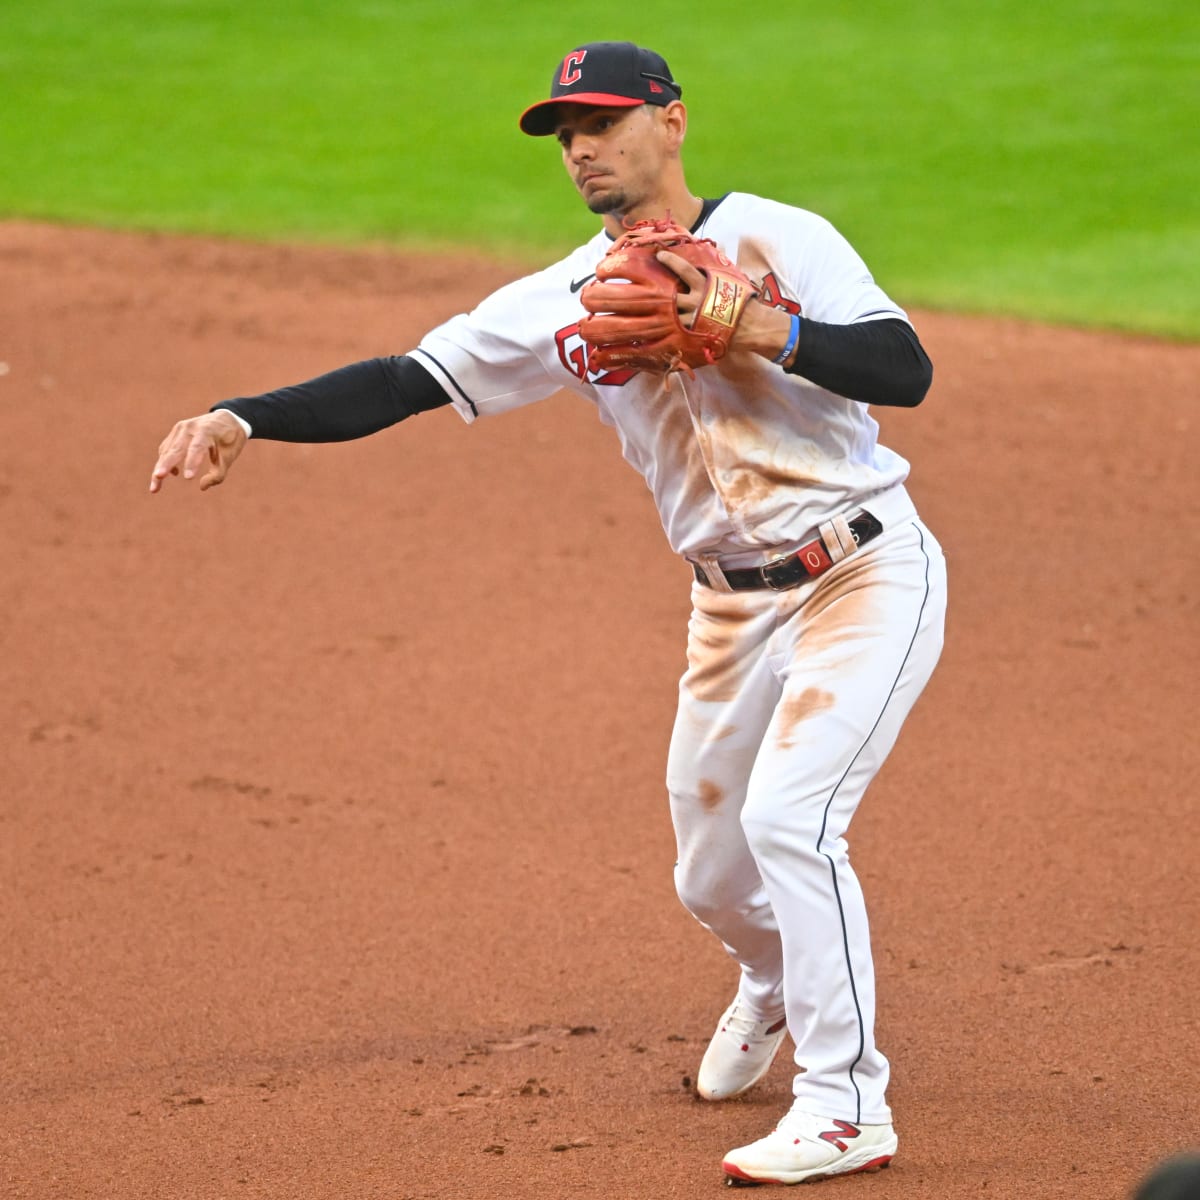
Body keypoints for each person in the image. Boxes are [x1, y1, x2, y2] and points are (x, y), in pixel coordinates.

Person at [150, 41, 948, 1187]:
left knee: (790, 821)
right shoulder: (561, 298)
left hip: (862, 572)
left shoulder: (782, 235)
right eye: (564, 132)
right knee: (712, 880)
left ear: (671, 122)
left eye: (604, 121)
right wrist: (243, 416)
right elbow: (404, 378)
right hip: (728, 609)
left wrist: (749, 323)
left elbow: (905, 368)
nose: (581, 147)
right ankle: (777, 981)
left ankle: (845, 1105)